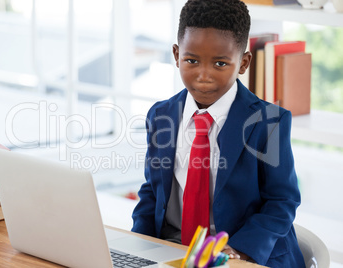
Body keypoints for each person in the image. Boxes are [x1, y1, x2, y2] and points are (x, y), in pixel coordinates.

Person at [131, 0, 305, 267]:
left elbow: (282, 201)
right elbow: (153, 192)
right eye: (192, 60)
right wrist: (137, 248)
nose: (204, 75)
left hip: (243, 254)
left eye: (220, 64)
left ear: (243, 63)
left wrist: (238, 251)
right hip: (176, 251)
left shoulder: (268, 122)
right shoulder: (161, 116)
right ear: (176, 55)